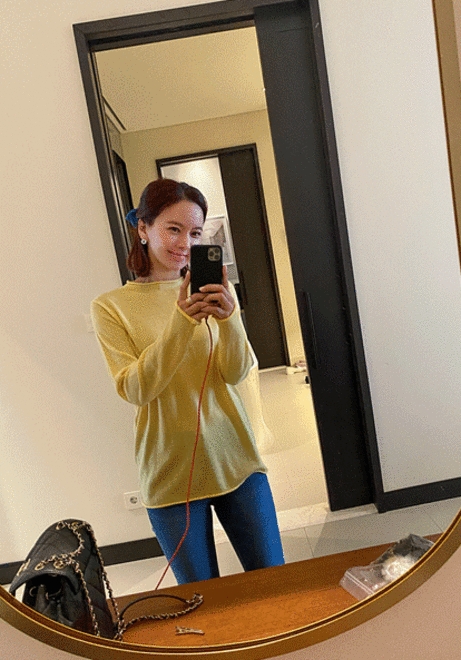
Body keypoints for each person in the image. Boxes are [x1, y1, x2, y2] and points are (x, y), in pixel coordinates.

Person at [91, 178, 284, 584]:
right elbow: (135, 389)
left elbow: (236, 371)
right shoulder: (110, 307)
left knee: (273, 584)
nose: (185, 243)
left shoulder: (214, 290)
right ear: (143, 228)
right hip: (170, 474)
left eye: (195, 233)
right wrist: (181, 321)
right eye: (173, 229)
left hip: (237, 459)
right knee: (202, 600)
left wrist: (230, 319)